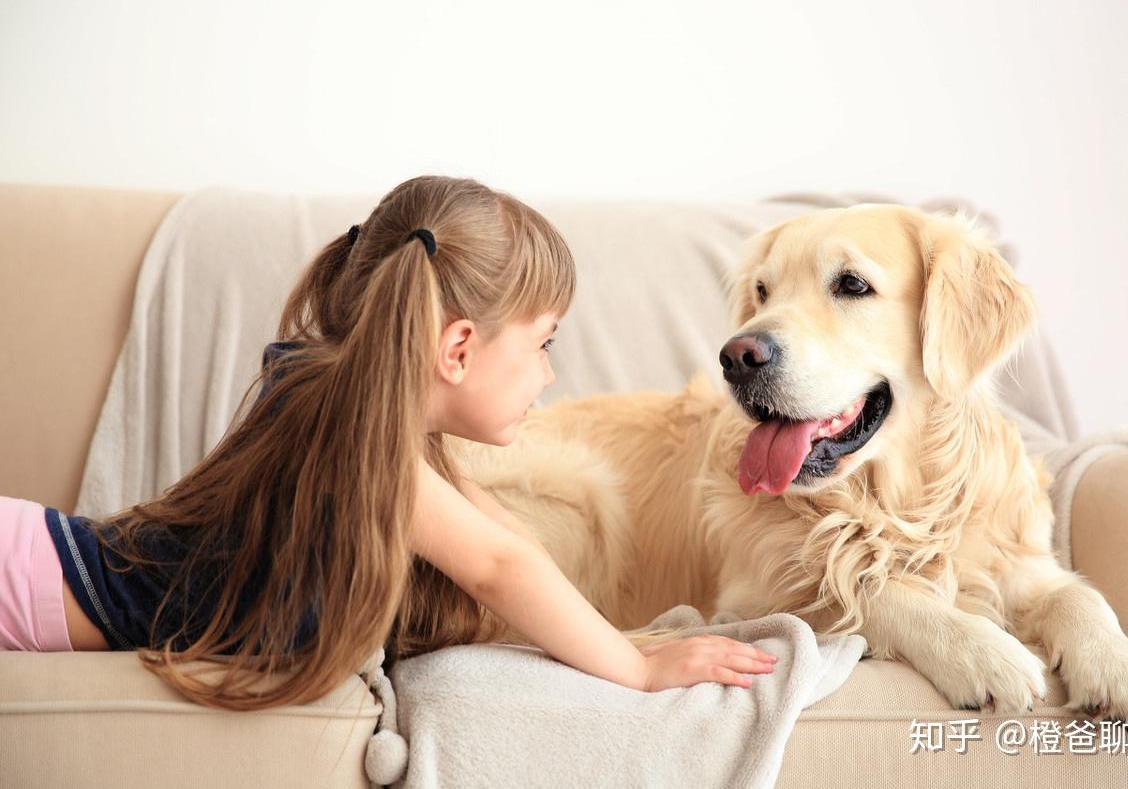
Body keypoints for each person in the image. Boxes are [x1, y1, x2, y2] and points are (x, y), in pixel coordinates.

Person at [0, 176, 776, 710]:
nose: (547, 375)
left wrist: (617, 635)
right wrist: (637, 670)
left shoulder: (386, 426)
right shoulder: (344, 428)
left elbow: (510, 539)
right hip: (24, 573)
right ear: (459, 348)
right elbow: (498, 568)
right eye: (543, 344)